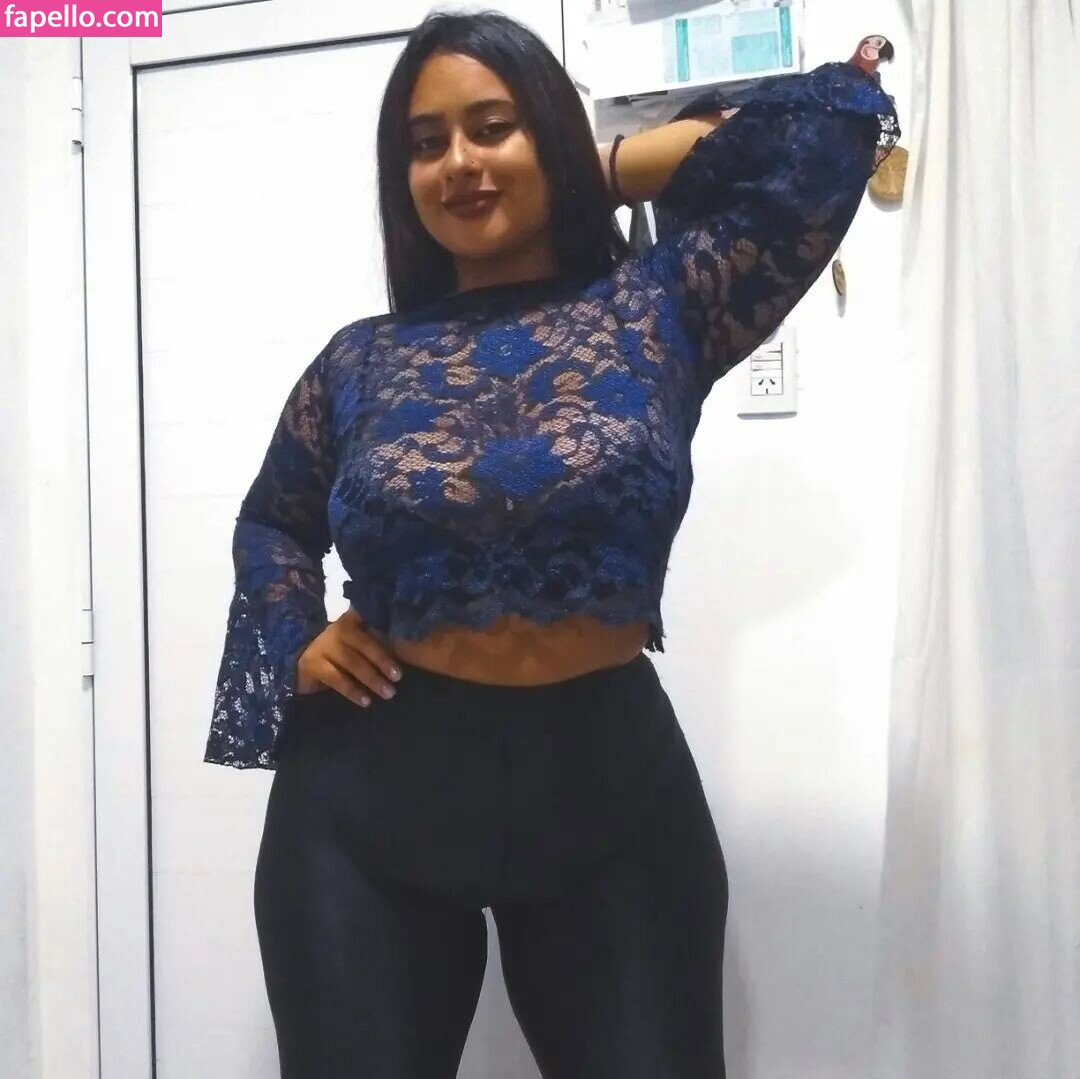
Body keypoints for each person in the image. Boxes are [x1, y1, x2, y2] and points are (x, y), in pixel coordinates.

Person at [204, 9, 899, 1077]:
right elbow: (272, 519)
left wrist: (600, 169)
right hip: (369, 798)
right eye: (426, 143)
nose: (458, 162)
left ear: (551, 135)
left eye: (493, 127)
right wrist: (295, 632)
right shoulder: (358, 361)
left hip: (608, 792)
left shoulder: (662, 307)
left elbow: (832, 128)